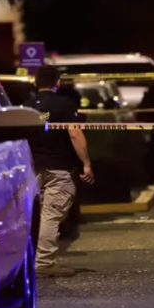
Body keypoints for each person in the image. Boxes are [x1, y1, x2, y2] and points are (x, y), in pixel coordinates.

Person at [24, 66, 94, 277]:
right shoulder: (64, 104)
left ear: (35, 83)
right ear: (58, 83)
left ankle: (27, 262)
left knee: (30, 217)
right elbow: (75, 134)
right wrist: (86, 163)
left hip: (31, 168)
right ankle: (44, 263)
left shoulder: (25, 107)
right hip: (58, 168)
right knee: (51, 216)